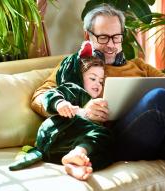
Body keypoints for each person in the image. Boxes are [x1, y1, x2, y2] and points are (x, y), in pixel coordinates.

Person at [30, 4, 165, 191]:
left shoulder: (138, 65)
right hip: (111, 141)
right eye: (103, 37)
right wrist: (81, 109)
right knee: (158, 99)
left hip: (154, 136)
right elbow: (40, 96)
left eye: (116, 37)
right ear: (88, 36)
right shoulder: (76, 65)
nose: (111, 44)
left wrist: (143, 96)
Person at [9, 41, 112, 180]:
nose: (97, 84)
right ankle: (78, 152)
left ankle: (76, 165)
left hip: (62, 148)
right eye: (93, 78)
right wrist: (60, 103)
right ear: (77, 76)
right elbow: (50, 95)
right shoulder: (74, 88)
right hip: (56, 132)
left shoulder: (95, 101)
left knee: (107, 153)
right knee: (101, 134)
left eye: (100, 81)